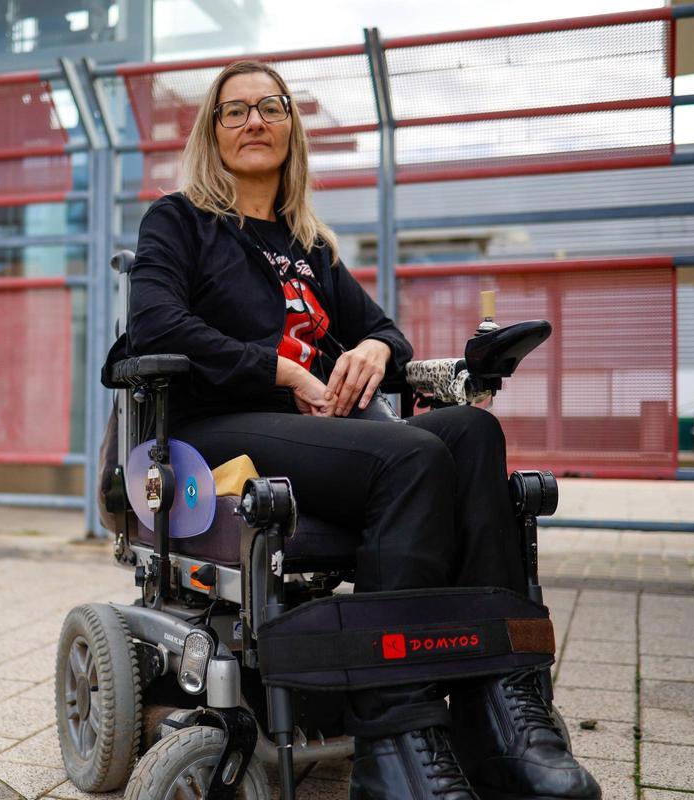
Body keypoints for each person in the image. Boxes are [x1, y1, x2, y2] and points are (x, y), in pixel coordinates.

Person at [110, 60, 599, 800]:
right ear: (212, 132)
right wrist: (283, 372)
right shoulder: (180, 220)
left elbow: (382, 333)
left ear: (290, 129)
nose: (254, 122)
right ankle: (394, 738)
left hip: (317, 437)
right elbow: (155, 323)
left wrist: (377, 348)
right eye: (234, 110)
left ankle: (501, 711)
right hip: (217, 436)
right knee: (410, 457)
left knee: (470, 433)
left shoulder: (311, 247)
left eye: (270, 108)